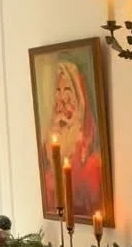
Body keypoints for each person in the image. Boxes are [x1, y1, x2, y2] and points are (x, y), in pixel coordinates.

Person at [43, 59, 102, 216]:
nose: (62, 98)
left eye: (67, 89)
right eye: (58, 90)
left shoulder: (90, 157)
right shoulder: (51, 137)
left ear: (78, 96)